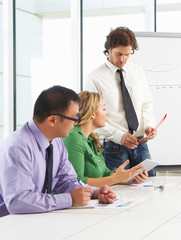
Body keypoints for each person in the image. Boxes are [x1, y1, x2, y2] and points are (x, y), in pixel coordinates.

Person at [0, 86, 116, 218]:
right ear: (52, 120)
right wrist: (69, 200)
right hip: (8, 224)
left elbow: (67, 181)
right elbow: (18, 201)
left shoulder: (56, 142)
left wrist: (93, 193)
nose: (76, 123)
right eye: (74, 119)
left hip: (36, 218)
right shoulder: (18, 147)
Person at [85, 26, 157, 176]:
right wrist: (120, 136)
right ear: (109, 49)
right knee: (119, 190)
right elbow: (92, 117)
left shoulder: (137, 71)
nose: (122, 59)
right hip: (114, 147)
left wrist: (149, 125)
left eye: (127, 55)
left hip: (140, 144)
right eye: (119, 54)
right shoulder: (95, 77)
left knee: (150, 185)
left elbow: (146, 103)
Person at [63, 91, 148, 188]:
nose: (107, 113)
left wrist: (129, 178)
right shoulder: (73, 137)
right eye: (104, 109)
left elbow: (105, 174)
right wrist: (117, 178)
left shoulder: (91, 138)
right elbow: (77, 182)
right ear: (92, 114)